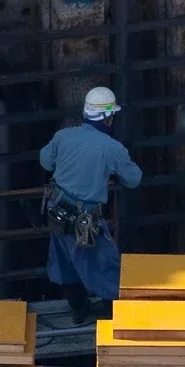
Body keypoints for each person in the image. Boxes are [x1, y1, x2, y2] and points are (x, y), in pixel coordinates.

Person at [39, 87, 142, 324]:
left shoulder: (63, 136)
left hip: (57, 212)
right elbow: (134, 180)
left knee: (64, 261)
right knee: (104, 265)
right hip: (84, 219)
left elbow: (45, 161)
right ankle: (115, 314)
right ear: (108, 117)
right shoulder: (111, 148)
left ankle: (78, 309)